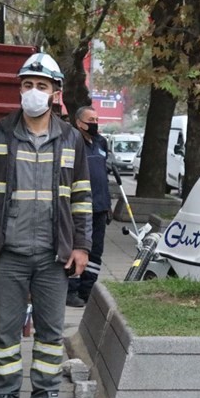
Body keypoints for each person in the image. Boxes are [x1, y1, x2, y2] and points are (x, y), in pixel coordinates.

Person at [0, 52, 92, 398]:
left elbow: (82, 197)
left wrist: (81, 245)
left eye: (41, 86)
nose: (33, 92)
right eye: (27, 85)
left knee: (51, 335)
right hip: (8, 254)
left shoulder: (71, 138)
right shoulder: (0, 134)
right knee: (6, 336)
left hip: (53, 255)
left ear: (56, 93)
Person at [67, 105, 114, 307]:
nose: (94, 124)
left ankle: (87, 290)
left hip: (100, 207)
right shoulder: (72, 143)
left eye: (96, 119)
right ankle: (71, 290)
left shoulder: (101, 142)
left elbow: (103, 175)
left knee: (95, 252)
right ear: (79, 123)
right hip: (80, 208)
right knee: (76, 248)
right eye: (90, 120)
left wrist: (108, 204)